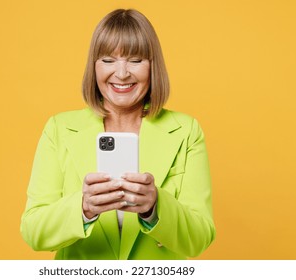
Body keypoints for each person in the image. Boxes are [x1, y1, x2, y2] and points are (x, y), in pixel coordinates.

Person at [20, 9, 215, 260]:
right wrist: (83, 208)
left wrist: (156, 206)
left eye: (135, 60)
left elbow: (199, 239)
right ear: (94, 66)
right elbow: (33, 231)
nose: (122, 74)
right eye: (108, 60)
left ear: (153, 66)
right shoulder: (59, 129)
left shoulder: (186, 131)